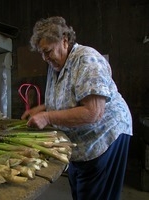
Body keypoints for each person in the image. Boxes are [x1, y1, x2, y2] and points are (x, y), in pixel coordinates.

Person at [21, 16, 132, 200]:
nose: (45, 58)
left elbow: (93, 112)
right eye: (42, 53)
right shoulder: (55, 65)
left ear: (64, 41)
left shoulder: (87, 60)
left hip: (105, 135)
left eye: (48, 51)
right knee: (81, 190)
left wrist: (47, 118)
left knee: (97, 193)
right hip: (80, 143)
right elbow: (65, 99)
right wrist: (41, 108)